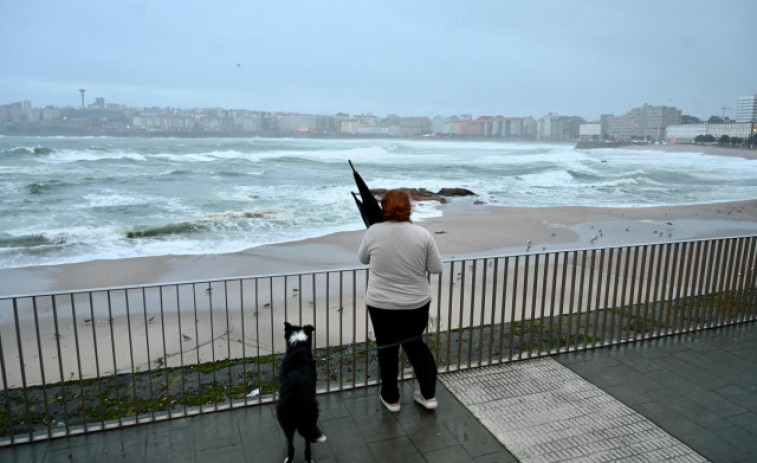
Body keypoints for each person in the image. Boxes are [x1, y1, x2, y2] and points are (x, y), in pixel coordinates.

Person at [357, 189, 443, 412]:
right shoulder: (422, 234)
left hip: (381, 304)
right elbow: (436, 268)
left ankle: (391, 398)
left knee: (387, 348)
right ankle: (429, 396)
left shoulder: (374, 231)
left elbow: (362, 259)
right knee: (415, 345)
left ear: (384, 207)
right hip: (416, 303)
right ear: (409, 207)